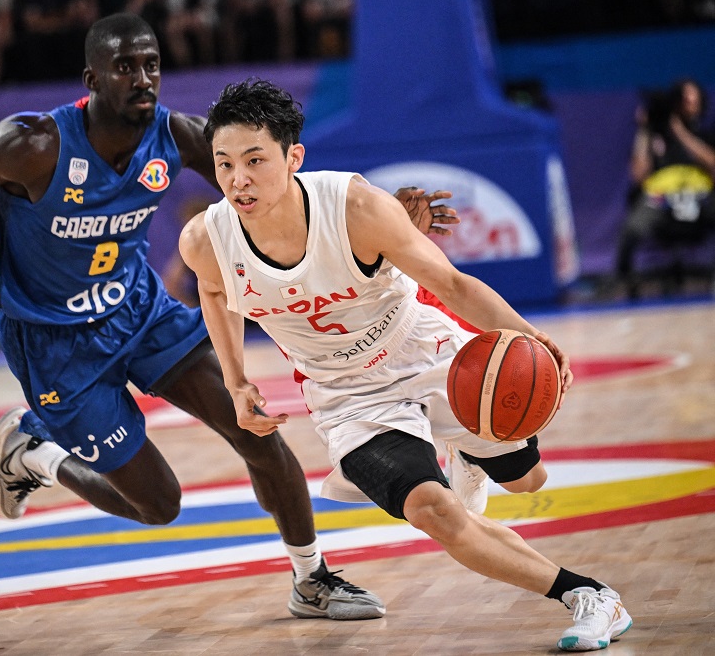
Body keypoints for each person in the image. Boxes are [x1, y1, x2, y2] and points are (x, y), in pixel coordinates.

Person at [0, 14, 453, 621]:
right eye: (124, 68)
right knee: (160, 506)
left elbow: (285, 185)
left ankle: (310, 578)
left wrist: (382, 219)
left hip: (138, 310)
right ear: (92, 80)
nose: (142, 79)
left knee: (256, 433)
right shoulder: (30, 147)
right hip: (55, 346)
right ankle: (38, 455)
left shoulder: (175, 137)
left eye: (151, 65)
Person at [179, 79, 634, 651]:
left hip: (426, 353)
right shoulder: (205, 240)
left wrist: (531, 336)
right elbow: (215, 295)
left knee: (528, 480)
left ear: (294, 157)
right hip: (349, 397)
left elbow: (450, 283)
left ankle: (467, 452)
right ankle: (588, 595)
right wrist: (237, 381)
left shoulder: (358, 209)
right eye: (224, 164)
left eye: (254, 161)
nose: (237, 179)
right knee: (434, 510)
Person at [615, 77, 715, 296]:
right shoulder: (656, 134)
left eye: (693, 97)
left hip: (700, 195)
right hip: (661, 197)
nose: (688, 101)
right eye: (684, 97)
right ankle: (626, 281)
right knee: (633, 227)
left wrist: (680, 132)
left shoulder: (705, 134)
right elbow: (638, 173)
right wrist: (644, 129)